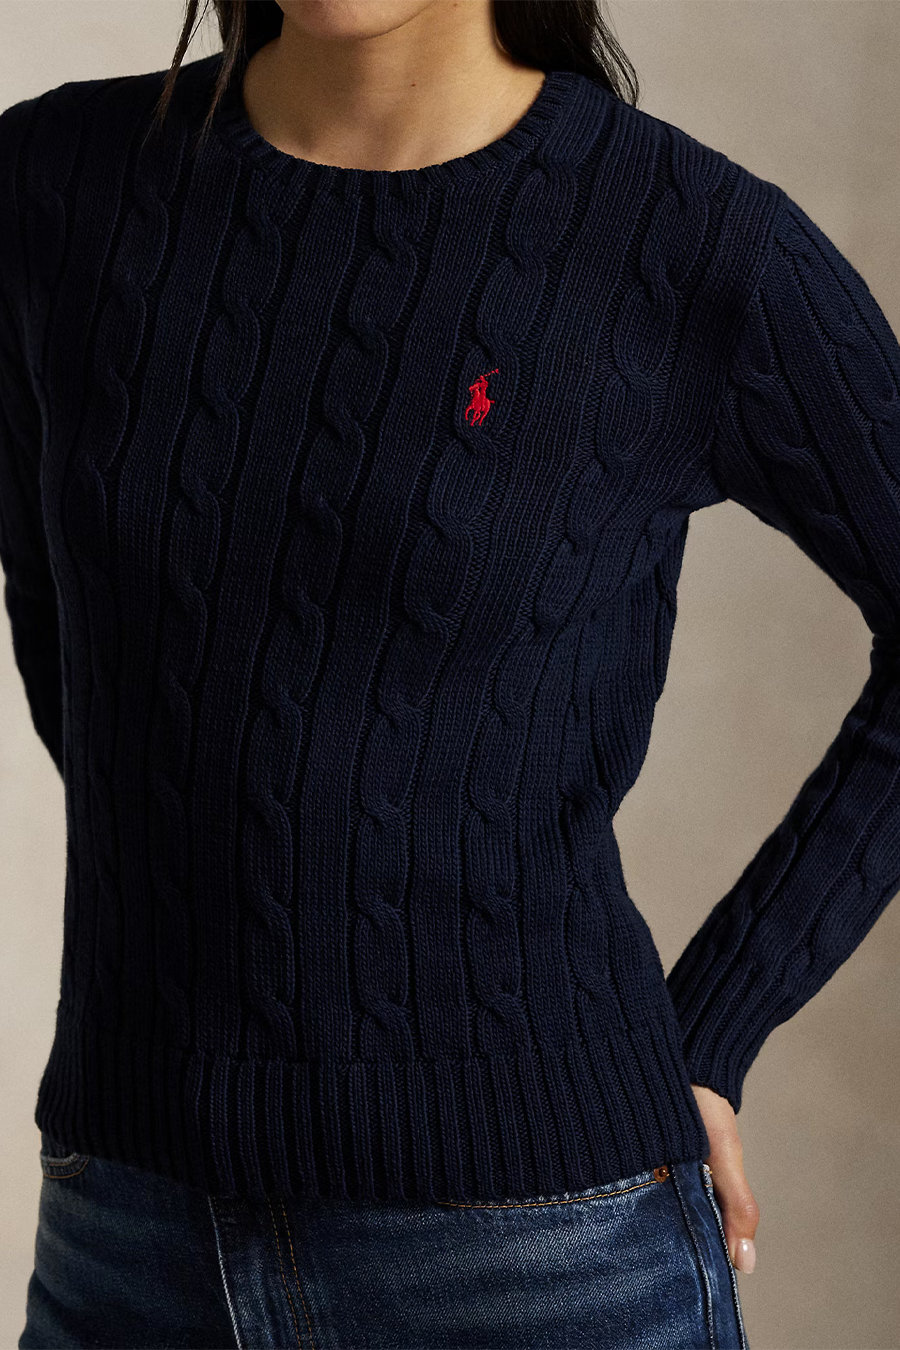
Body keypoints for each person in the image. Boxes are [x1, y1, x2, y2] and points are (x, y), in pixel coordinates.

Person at [3, 0, 897, 1345]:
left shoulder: (683, 240)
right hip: (128, 1239)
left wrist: (714, 1026)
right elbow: (77, 636)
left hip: (541, 1258)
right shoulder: (54, 186)